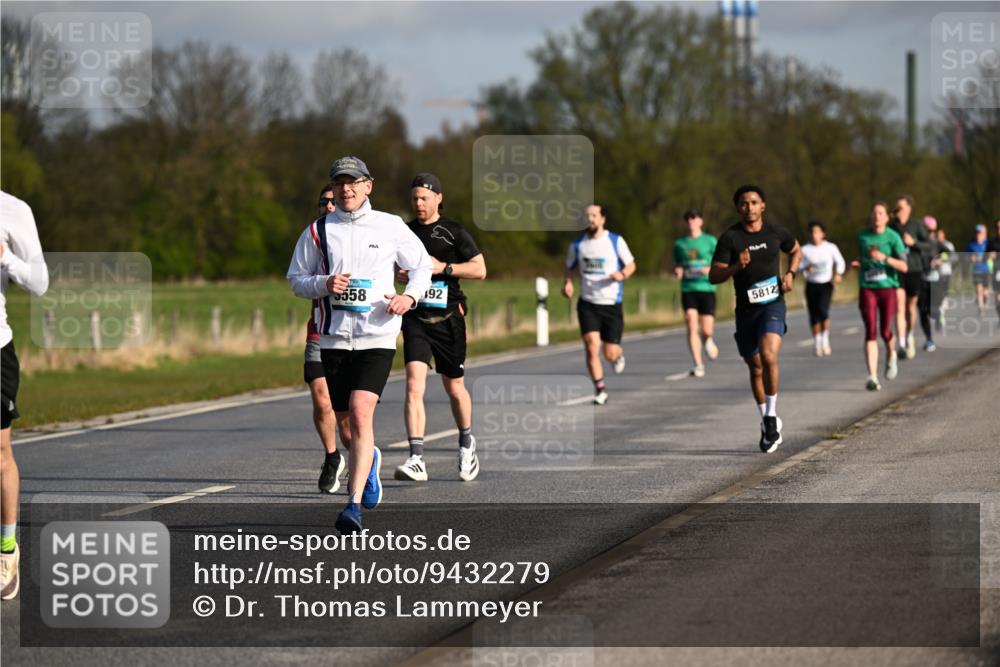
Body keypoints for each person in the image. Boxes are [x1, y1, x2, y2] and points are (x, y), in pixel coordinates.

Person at [288, 156, 432, 535]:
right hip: (333, 337)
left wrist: (410, 298)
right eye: (339, 183)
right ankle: (369, 465)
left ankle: (351, 507)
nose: (346, 189)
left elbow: (421, 266)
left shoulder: (390, 226)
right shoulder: (318, 231)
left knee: (360, 411)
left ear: (369, 185)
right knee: (346, 426)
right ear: (332, 189)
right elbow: (296, 278)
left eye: (353, 182)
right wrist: (324, 284)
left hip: (377, 335)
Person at [394, 173, 487, 483]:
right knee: (413, 385)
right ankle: (416, 458)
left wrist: (443, 268)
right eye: (414, 199)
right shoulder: (404, 232)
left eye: (424, 198)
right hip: (416, 317)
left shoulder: (454, 232)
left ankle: (466, 442)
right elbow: (394, 267)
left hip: (449, 317)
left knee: (454, 386)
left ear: (438, 199)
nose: (419, 204)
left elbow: (480, 269)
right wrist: (402, 276)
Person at [710, 184, 801, 453]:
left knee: (769, 355)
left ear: (763, 206)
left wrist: (791, 275)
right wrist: (737, 267)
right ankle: (765, 418)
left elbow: (796, 250)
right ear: (738, 208)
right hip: (746, 311)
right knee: (756, 366)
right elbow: (713, 276)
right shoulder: (730, 238)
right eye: (743, 203)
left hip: (772, 304)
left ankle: (771, 418)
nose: (749, 207)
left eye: (753, 202)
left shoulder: (776, 233)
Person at [1, 191, 50, 601]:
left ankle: (6, 549)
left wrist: (4, 257)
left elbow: (39, 283)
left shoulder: (13, 210)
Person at [562, 204, 636, 405]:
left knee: (609, 352)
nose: (590, 219)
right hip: (588, 303)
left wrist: (621, 274)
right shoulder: (577, 245)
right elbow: (569, 268)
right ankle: (600, 388)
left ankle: (617, 357)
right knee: (591, 346)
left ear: (602, 219)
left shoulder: (615, 241)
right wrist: (568, 283)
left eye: (594, 216)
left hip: (611, 303)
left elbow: (631, 264)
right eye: (587, 216)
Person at [308, 186, 349, 494]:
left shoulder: (362, 236)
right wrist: (324, 283)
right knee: (322, 402)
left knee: (348, 419)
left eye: (334, 200)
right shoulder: (314, 240)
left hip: (355, 336)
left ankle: (361, 453)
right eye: (325, 201)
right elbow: (298, 280)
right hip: (319, 331)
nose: (330, 205)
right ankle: (332, 457)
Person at [853, 202, 908, 391]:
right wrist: (858, 262)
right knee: (870, 330)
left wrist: (884, 258)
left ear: (887, 217)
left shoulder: (893, 237)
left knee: (885, 331)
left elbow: (904, 266)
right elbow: (863, 257)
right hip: (867, 287)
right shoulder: (863, 236)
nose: (877, 216)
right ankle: (872, 377)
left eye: (881, 213)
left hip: (887, 288)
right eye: (874, 213)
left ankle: (892, 354)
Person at [672, 209, 719, 377]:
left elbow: (721, 262)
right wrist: (678, 271)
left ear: (701, 221)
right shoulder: (680, 244)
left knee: (706, 330)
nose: (690, 221)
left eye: (694, 217)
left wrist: (711, 269)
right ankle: (698, 364)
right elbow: (678, 264)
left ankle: (708, 340)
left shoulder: (710, 241)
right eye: (688, 218)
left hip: (707, 289)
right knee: (692, 325)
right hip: (688, 289)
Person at [889, 195, 934, 358]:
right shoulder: (891, 226)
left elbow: (929, 246)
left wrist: (914, 243)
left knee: (910, 307)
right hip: (897, 270)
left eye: (901, 207)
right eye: (896, 207)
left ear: (909, 208)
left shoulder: (917, 225)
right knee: (899, 306)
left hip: (915, 269)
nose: (898, 210)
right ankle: (901, 343)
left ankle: (909, 335)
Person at [798, 221, 846, 356]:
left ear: (823, 234)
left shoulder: (830, 247)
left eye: (817, 232)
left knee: (823, 311)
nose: (815, 235)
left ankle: (825, 339)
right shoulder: (805, 249)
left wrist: (838, 273)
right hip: (811, 284)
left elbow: (840, 262)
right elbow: (796, 267)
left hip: (826, 284)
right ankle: (817, 342)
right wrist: (804, 268)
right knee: (813, 314)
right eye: (812, 232)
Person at [930, 227, 955, 331]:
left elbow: (953, 257)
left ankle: (941, 311)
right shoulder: (934, 244)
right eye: (937, 234)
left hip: (946, 272)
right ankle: (940, 314)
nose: (939, 236)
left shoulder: (948, 245)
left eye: (941, 234)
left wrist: (942, 259)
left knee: (944, 294)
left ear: (943, 235)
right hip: (936, 274)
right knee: (937, 297)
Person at [967, 224, 991, 314]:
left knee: (985, 292)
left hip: (986, 269)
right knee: (978, 289)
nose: (978, 235)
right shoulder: (971, 246)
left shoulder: (988, 244)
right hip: (976, 270)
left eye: (980, 233)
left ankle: (984, 300)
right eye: (977, 233)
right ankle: (981, 308)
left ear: (984, 233)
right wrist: (970, 258)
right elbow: (966, 257)